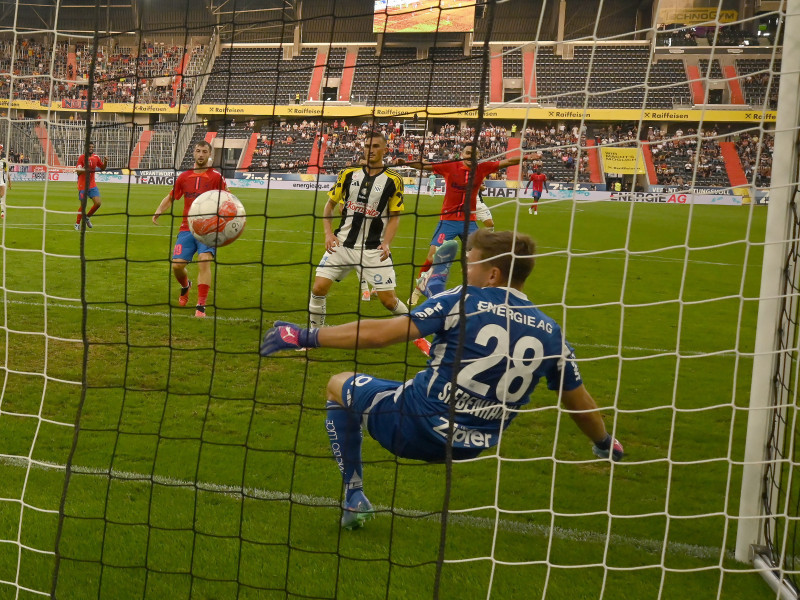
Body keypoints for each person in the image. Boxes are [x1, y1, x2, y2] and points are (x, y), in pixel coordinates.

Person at [260, 229, 624, 529]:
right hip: (472, 444)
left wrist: (305, 337)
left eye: (472, 264)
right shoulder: (551, 332)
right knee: (418, 376)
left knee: (338, 384)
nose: (469, 272)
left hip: (414, 424)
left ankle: (354, 494)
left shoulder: (463, 299)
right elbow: (578, 401)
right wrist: (604, 441)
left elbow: (381, 335)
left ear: (493, 274)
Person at [398, 142, 520, 304]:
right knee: (432, 256)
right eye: (468, 153)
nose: (471, 156)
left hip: (469, 222)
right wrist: (406, 163)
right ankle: (419, 288)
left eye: (474, 153)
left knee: (482, 257)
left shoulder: (483, 168)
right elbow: (425, 166)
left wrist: (527, 156)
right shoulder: (450, 166)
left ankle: (482, 293)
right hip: (448, 220)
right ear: (462, 154)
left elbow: (508, 162)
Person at [309, 129, 408, 329]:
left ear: (385, 149)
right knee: (318, 288)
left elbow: (395, 218)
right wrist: (328, 234)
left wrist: (386, 243)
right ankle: (314, 335)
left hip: (373, 250)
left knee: (388, 301)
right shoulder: (348, 173)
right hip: (342, 245)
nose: (369, 150)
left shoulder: (394, 179)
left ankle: (420, 330)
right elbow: (329, 206)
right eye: (366, 146)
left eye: (375, 146)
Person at [152, 140, 226, 318]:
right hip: (187, 228)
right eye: (198, 151)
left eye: (204, 152)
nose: (201, 155)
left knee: (204, 259)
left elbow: (227, 199)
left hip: (208, 229)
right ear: (194, 153)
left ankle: (201, 305)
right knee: (177, 265)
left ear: (210, 155)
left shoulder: (216, 177)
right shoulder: (184, 177)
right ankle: (186, 286)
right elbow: (171, 197)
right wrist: (159, 211)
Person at [74, 142, 107, 230]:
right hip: (82, 185)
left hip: (92, 185)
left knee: (98, 203)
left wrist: (105, 161)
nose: (91, 148)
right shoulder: (82, 158)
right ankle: (77, 223)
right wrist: (85, 168)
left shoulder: (96, 157)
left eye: (92, 147)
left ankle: (86, 217)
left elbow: (103, 168)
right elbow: (78, 171)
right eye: (90, 147)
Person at [0, 149, 9, 219]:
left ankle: (2, 212)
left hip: (2, 181)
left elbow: (6, 172)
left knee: (3, 195)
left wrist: (10, 181)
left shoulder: (3, 162)